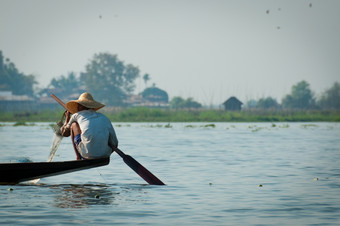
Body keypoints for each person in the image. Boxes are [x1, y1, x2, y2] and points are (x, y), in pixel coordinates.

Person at [60, 92, 118, 160]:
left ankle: (78, 157)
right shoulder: (104, 117)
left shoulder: (76, 115)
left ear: (82, 106)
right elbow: (115, 143)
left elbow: (65, 133)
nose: (77, 107)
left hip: (87, 154)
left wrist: (67, 119)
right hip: (105, 154)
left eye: (79, 105)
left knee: (74, 124)